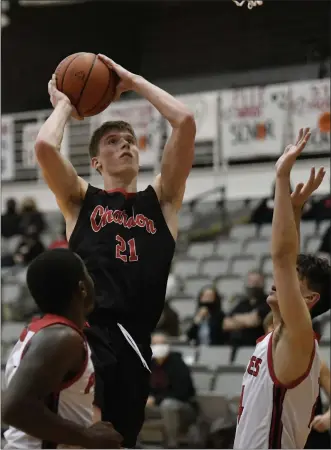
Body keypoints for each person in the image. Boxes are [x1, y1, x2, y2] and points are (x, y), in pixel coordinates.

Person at [34, 54, 196, 448]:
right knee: (86, 436)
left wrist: (135, 80)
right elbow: (43, 145)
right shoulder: (79, 200)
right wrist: (65, 107)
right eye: (112, 142)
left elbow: (185, 122)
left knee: (119, 440)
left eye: (130, 141)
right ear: (95, 161)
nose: (125, 146)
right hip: (88, 334)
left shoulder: (163, 201)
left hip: (135, 342)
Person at [233, 128, 330, 449]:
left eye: (292, 280)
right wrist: (296, 210)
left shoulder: (299, 338)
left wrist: (281, 175)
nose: (279, 281)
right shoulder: (281, 336)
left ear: (310, 299)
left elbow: (283, 257)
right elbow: (289, 259)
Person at [2, 248, 123, 449]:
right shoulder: (62, 338)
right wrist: (88, 437)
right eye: (88, 274)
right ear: (82, 288)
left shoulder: (47, 332)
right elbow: (14, 409)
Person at [263, 312, 331, 449]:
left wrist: (328, 417)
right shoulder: (261, 365)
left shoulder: (317, 364)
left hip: (311, 435)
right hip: (274, 436)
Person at [145, 332, 197, 448]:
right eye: (155, 343)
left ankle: (172, 444)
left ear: (168, 345)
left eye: (161, 343)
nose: (158, 346)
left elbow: (182, 392)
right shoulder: (149, 364)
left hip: (183, 405)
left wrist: (156, 400)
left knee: (168, 405)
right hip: (156, 404)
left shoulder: (178, 363)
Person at [222, 271, 269, 348]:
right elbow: (226, 323)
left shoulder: (267, 301)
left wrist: (236, 319)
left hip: (258, 346)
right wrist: (246, 320)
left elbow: (253, 321)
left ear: (263, 283)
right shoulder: (242, 303)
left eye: (257, 282)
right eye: (251, 281)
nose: (253, 285)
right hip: (238, 346)